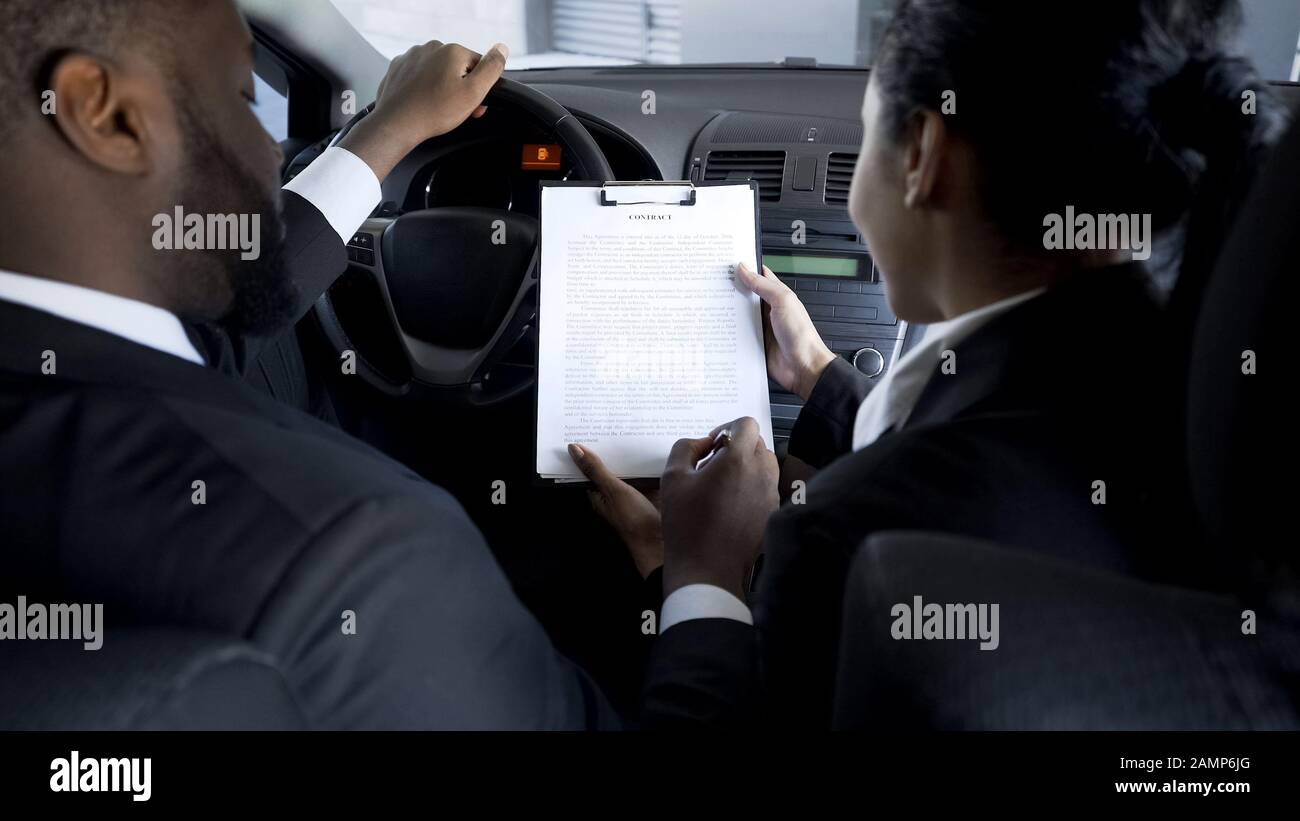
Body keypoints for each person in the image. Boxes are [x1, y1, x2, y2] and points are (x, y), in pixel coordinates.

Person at [0, 0, 729, 729]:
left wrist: (387, 132)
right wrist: (700, 575)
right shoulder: (357, 553)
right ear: (103, 111)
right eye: (242, 99)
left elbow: (225, 321)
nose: (275, 152)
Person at [574, 0, 1287, 726]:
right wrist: (818, 376)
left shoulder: (844, 538)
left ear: (921, 156)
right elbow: (997, 444)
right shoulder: (1188, 377)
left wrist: (699, 573)